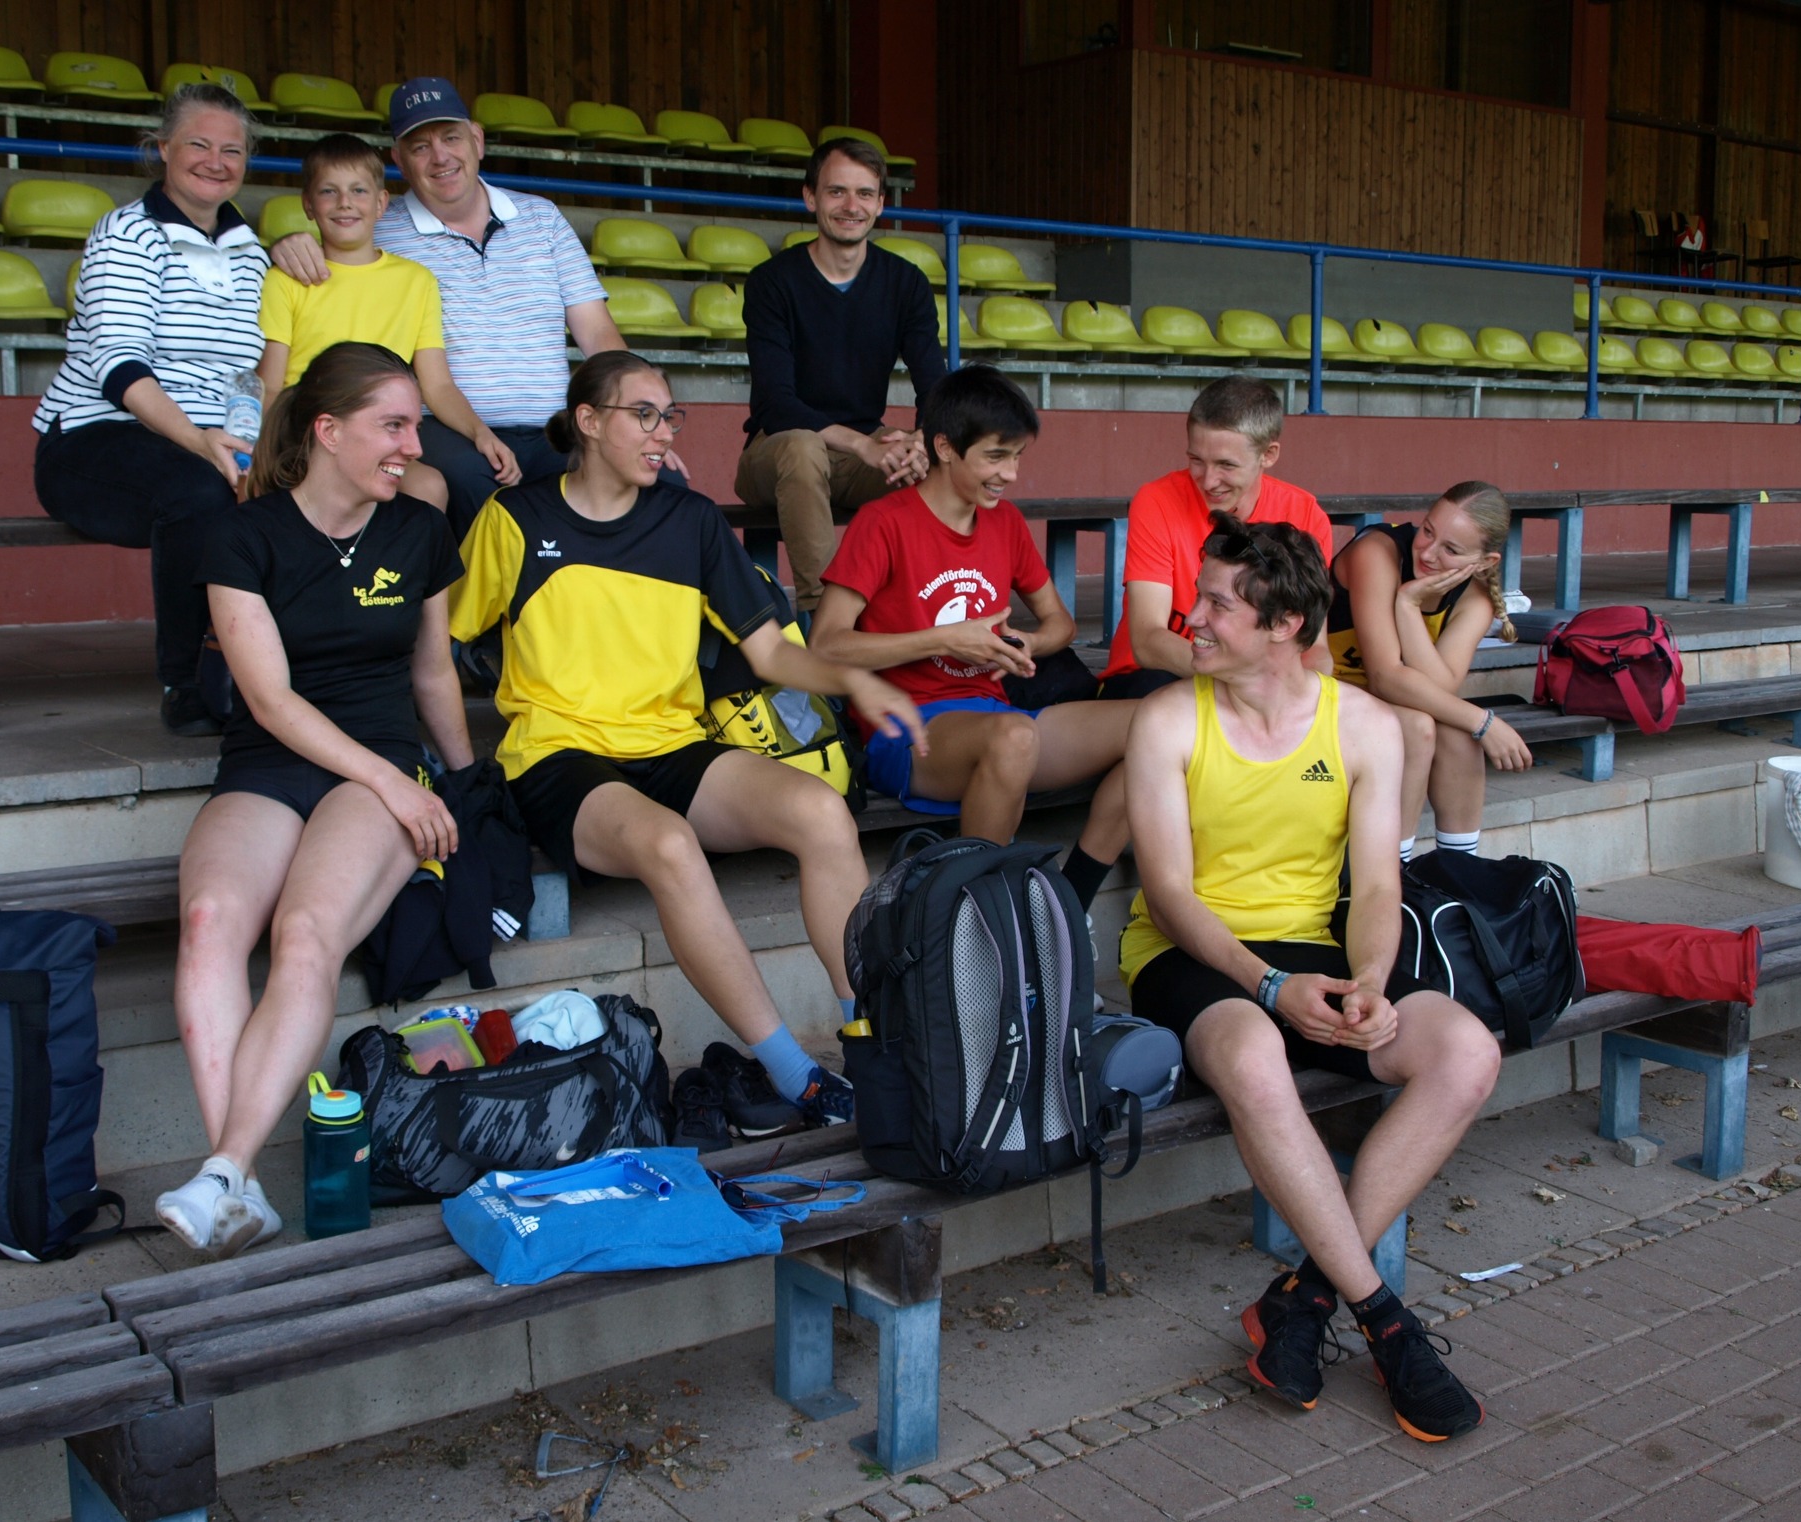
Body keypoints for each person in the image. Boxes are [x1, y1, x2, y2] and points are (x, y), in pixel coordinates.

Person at [448, 350, 925, 1128]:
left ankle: (867, 1038)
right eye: (643, 415)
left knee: (821, 811)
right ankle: (796, 1074)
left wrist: (856, 681)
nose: (663, 432)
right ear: (587, 421)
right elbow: (441, 636)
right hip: (560, 755)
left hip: (673, 742)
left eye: (669, 416)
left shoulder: (692, 520)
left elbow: (770, 653)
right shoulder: (515, 520)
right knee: (669, 845)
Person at [1121, 513, 1499, 1442]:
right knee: (1255, 1055)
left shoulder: (1363, 725)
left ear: (1285, 624)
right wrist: (1265, 987)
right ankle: (1387, 1322)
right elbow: (1168, 894)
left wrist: (1368, 978)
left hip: (1313, 947)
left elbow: (1377, 886)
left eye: (1217, 604)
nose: (1192, 618)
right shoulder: (1167, 718)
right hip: (1187, 957)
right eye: (1199, 597)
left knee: (1465, 1051)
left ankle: (1304, 1298)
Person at [157, 343, 473, 1257]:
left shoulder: (418, 531)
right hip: (272, 759)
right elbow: (269, 701)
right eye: (394, 426)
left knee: (304, 933)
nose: (414, 446)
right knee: (210, 919)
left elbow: (433, 675)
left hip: (380, 764)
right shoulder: (241, 536)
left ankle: (225, 1172)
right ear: (328, 432)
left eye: (416, 425)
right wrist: (388, 779)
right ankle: (240, 1185)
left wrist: (461, 787)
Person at [268, 78, 680, 535]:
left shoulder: (543, 218)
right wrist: (286, 245)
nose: (440, 157)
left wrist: (641, 416)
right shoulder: (379, 228)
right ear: (398, 159)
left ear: (477, 140)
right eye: (420, 147)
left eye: (451, 138)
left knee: (665, 485)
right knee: (473, 484)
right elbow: (336, 246)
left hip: (556, 425)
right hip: (442, 425)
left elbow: (598, 334)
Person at [811, 365, 1138, 906]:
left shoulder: (1005, 522)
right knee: (1014, 738)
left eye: (1018, 457)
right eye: (996, 456)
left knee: (1158, 723)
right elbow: (826, 643)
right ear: (944, 447)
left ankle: (1072, 898)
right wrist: (945, 639)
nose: (1010, 473)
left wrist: (1028, 645)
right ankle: (974, 919)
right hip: (907, 730)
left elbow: (1060, 624)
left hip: (1000, 719)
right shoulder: (884, 522)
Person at [32, 83, 269, 736]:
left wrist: (244, 445)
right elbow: (119, 369)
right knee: (199, 491)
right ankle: (187, 682)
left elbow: (252, 371)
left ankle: (283, 676)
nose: (216, 161)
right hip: (95, 440)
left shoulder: (252, 251)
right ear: (163, 148)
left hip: (212, 437)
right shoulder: (127, 233)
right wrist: (202, 442)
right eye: (198, 144)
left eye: (232, 150)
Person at [255, 131, 521, 514]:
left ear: (381, 203)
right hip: (311, 433)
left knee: (429, 487)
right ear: (308, 204)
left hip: (383, 434)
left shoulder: (416, 281)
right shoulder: (287, 279)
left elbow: (438, 385)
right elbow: (270, 385)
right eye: (329, 192)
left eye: (359, 191)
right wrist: (264, 451)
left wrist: (481, 433)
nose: (345, 203)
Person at [736, 136, 948, 614]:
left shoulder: (906, 282)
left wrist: (920, 441)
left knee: (936, 462)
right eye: (837, 192)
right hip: (776, 451)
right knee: (803, 446)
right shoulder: (773, 281)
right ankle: (826, 622)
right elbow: (777, 404)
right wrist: (863, 445)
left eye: (864, 193)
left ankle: (924, 615)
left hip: (860, 456)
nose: (851, 206)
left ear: (880, 204)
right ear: (810, 197)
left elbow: (935, 388)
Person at [1325, 482, 1531, 861]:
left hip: (1383, 700)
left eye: (1451, 550)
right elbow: (1386, 677)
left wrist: (1407, 607)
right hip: (1322, 688)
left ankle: (1459, 870)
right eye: (1428, 531)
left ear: (1485, 562)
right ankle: (1392, 872)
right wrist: (1484, 722)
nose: (1429, 553)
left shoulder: (1476, 599)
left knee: (1458, 736)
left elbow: (1441, 687)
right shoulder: (1377, 553)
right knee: (1418, 726)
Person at [1099, 377, 1333, 701]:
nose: (1208, 481)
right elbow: (1148, 640)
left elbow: (1314, 647)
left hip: (1260, 688)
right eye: (1196, 460)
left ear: (1268, 454)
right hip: (1156, 677)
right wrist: (1244, 681)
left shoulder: (1305, 515)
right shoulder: (1157, 501)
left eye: (1226, 465)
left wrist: (1289, 695)